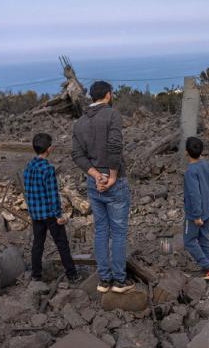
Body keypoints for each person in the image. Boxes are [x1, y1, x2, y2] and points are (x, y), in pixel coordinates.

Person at [72, 81, 134, 294]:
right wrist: (112, 175)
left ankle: (103, 280)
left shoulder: (79, 122)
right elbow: (115, 145)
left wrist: (96, 175)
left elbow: (77, 155)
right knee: (117, 232)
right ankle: (118, 281)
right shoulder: (112, 114)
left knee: (100, 231)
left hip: (94, 181)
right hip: (114, 180)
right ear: (108, 95)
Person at [24, 133, 79, 283]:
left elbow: (28, 192)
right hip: (50, 214)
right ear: (49, 149)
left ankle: (36, 275)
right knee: (62, 244)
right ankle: (72, 275)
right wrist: (58, 215)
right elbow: (52, 195)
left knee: (38, 244)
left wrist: (32, 210)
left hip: (36, 214)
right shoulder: (47, 169)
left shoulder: (29, 167)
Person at [183, 136, 209, 280]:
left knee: (189, 241)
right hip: (207, 211)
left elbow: (194, 194)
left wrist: (196, 215)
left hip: (194, 215)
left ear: (186, 152)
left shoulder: (190, 172)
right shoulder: (206, 165)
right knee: (204, 239)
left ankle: (206, 265)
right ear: (201, 151)